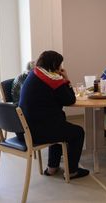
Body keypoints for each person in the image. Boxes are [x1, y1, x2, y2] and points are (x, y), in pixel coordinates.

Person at [19, 50, 89, 179]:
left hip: (27, 128)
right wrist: (66, 79)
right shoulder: (52, 79)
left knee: (60, 125)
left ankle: (52, 167)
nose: (61, 68)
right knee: (77, 132)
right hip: (40, 131)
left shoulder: (34, 74)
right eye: (60, 64)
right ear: (54, 65)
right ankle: (72, 171)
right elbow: (70, 100)